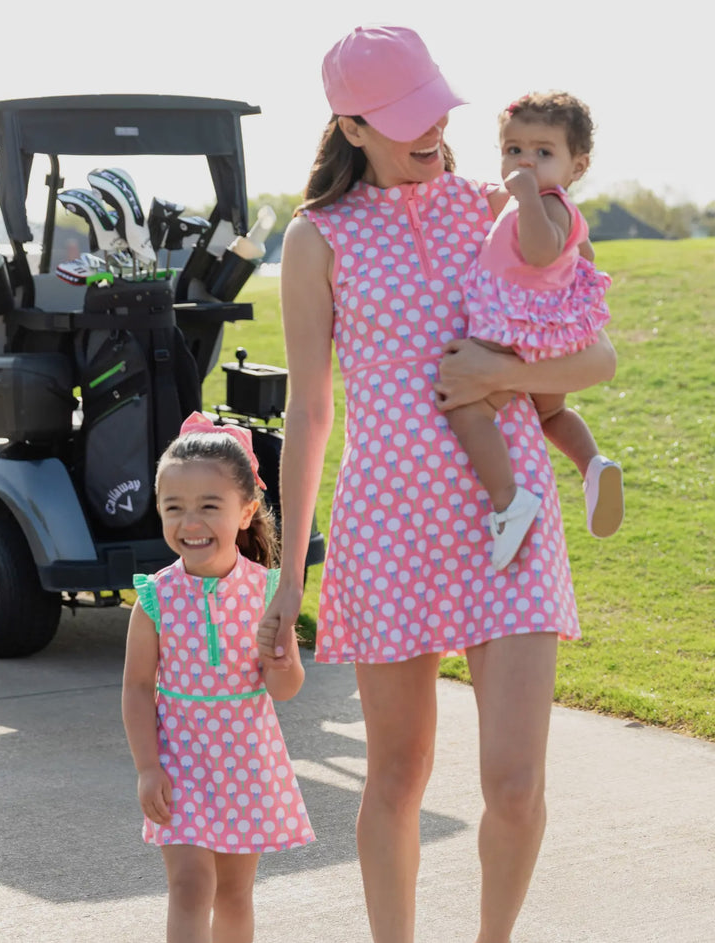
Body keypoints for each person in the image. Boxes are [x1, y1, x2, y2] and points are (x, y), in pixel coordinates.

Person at [258, 24, 616, 943]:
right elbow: (310, 415)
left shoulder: (501, 209)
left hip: (514, 518)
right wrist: (287, 578)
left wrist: (501, 377)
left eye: (434, 110)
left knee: (515, 785)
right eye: (406, 119)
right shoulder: (318, 238)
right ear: (352, 124)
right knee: (397, 777)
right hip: (389, 526)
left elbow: (594, 357)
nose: (432, 131)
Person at [122, 411, 314, 943]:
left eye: (210, 506)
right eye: (174, 507)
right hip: (179, 762)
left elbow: (284, 689)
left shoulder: (269, 592)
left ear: (247, 510)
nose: (191, 523)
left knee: (233, 893)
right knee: (189, 886)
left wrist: (284, 663)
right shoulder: (154, 597)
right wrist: (147, 767)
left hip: (246, 762)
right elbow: (138, 688)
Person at [446, 90, 624, 570]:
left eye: (543, 152)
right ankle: (593, 466)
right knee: (551, 413)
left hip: (513, 329)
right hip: (543, 331)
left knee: (467, 408)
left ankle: (508, 502)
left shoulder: (546, 202)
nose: (526, 161)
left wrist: (523, 195)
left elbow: (543, 251)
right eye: (514, 150)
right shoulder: (548, 202)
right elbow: (578, 257)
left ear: (577, 165)